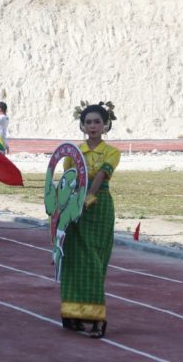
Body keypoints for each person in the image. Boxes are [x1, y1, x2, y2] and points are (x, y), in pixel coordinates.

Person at [60, 102, 120, 339]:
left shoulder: (112, 152)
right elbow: (67, 180)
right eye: (88, 122)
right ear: (82, 126)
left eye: (97, 122)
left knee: (95, 262)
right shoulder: (73, 153)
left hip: (99, 208)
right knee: (73, 261)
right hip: (75, 209)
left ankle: (96, 318)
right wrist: (63, 207)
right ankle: (72, 313)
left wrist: (88, 198)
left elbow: (101, 176)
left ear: (105, 125)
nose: (93, 126)